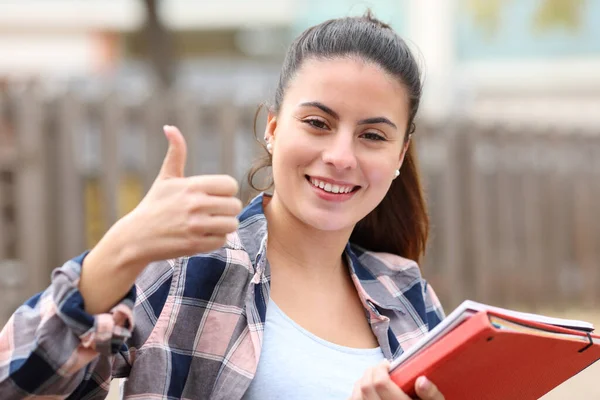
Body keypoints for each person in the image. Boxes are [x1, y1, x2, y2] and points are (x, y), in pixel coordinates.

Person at [0, 12, 446, 400]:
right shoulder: (189, 268)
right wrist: (122, 248)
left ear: (400, 156)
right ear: (273, 128)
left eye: (372, 135)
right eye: (317, 123)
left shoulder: (408, 295)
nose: (341, 156)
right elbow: (14, 386)